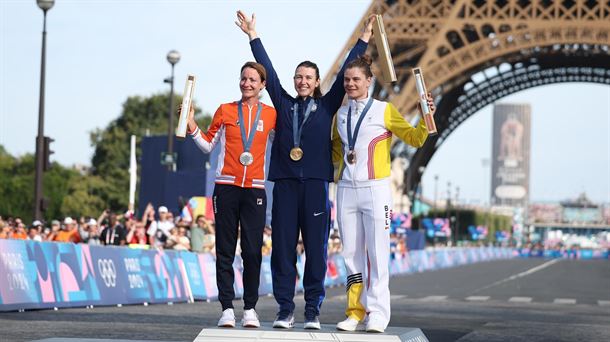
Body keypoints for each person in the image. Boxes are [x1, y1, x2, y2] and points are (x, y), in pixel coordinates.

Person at [236, 10, 373, 330]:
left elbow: (343, 74)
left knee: (315, 250)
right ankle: (285, 309)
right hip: (284, 184)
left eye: (308, 77)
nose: (302, 81)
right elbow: (266, 71)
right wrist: (253, 36)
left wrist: (363, 41)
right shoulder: (283, 104)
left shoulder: (327, 106)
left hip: (314, 185)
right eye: (298, 76)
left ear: (316, 82)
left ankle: (312, 309)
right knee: (282, 251)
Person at [332, 55, 434, 333]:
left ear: (369, 81)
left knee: (377, 253)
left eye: (356, 79)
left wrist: (426, 118)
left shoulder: (384, 109)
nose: (350, 84)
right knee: (351, 254)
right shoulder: (339, 115)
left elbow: (414, 138)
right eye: (346, 79)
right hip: (346, 190)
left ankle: (377, 312)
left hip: (375, 189)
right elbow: (335, 153)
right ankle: (354, 312)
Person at [185, 61, 276, 328]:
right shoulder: (225, 110)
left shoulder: (271, 115)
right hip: (225, 187)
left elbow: (283, 146)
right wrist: (191, 125)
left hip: (255, 189)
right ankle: (226, 307)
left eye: (252, 80)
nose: (246, 83)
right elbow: (207, 145)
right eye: (243, 78)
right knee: (225, 250)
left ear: (262, 85)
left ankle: (250, 308)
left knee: (252, 252)